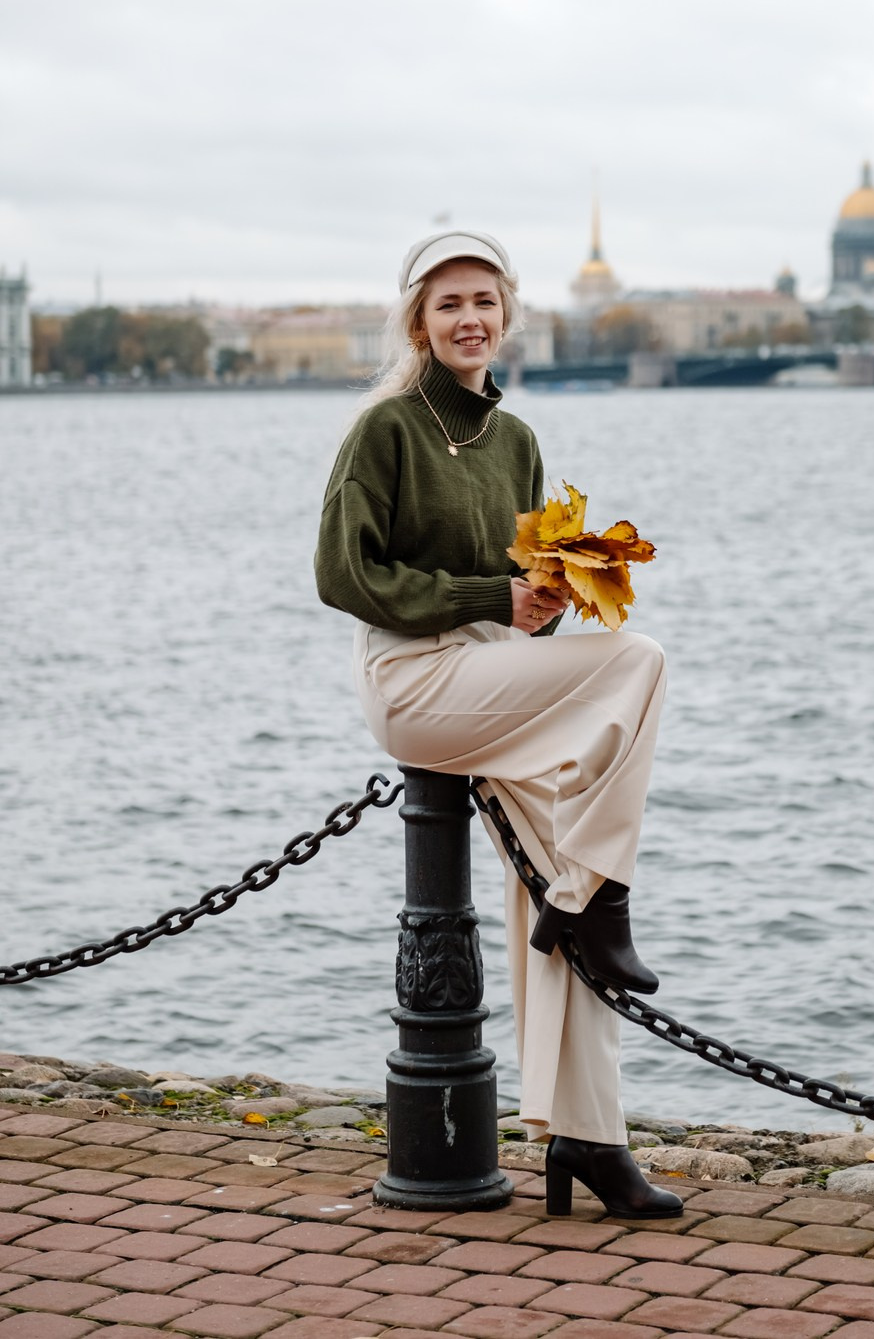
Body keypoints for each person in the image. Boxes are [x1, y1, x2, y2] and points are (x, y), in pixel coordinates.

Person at [314, 229, 681, 1221]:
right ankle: (598, 900)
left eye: (484, 301)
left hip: (501, 675)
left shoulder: (517, 441)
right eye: (449, 304)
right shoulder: (384, 430)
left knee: (567, 870)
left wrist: (559, 588)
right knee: (640, 663)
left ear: (506, 315)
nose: (469, 318)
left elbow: (532, 599)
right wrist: (492, 592)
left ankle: (591, 1139)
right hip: (418, 681)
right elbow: (343, 576)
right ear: (419, 323)